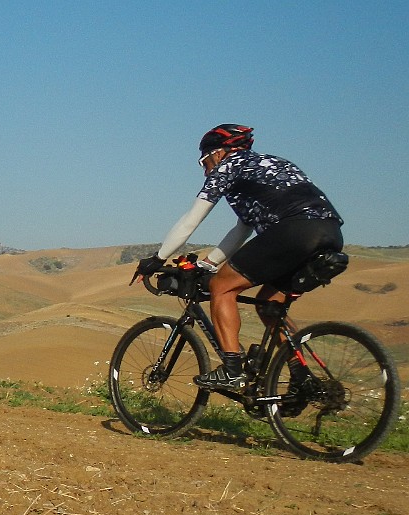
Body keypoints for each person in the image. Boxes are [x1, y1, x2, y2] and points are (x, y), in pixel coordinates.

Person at [137, 124, 344, 391]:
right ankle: (300, 377)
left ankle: (232, 369)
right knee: (269, 303)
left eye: (204, 161)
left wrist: (157, 258)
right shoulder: (271, 163)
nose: (204, 169)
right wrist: (208, 263)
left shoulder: (229, 166)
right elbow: (241, 230)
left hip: (292, 231)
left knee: (221, 287)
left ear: (219, 153)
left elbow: (191, 221)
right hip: (330, 232)